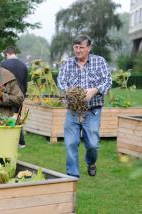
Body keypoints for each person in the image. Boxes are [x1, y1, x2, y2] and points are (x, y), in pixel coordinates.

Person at [57, 35, 112, 178]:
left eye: (81, 47)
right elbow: (61, 81)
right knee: (70, 143)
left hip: (93, 110)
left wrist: (95, 90)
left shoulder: (100, 62)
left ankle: (91, 162)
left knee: (93, 144)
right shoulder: (67, 64)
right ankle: (72, 176)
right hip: (73, 110)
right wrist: (68, 91)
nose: (78, 50)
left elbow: (108, 80)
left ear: (89, 48)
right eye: (76, 47)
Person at [0, 46, 28, 148]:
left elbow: (1, 81)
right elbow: (25, 83)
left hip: (8, 95)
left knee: (6, 116)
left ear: (7, 53)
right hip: (19, 95)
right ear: (14, 52)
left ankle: (10, 140)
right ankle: (20, 141)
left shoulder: (3, 64)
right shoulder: (23, 65)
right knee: (17, 117)